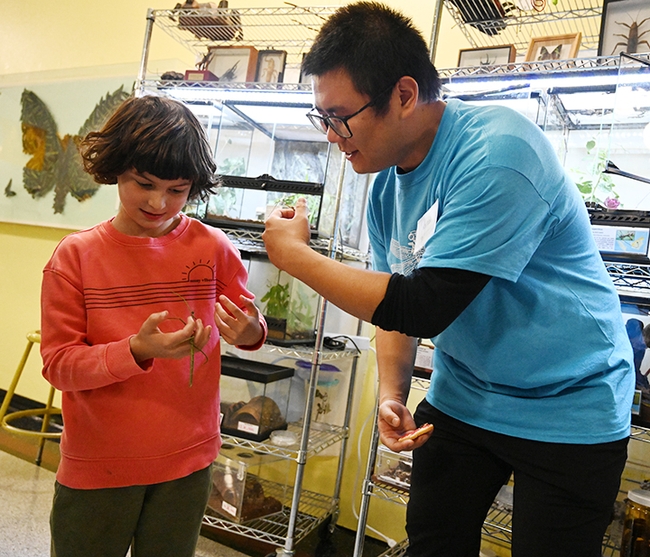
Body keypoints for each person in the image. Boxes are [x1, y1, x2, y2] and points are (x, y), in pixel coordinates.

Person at [262, 2, 635, 556]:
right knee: (434, 542)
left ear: (405, 95)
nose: (332, 134)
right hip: (465, 395)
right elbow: (392, 298)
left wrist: (294, 257)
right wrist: (392, 392)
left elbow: (422, 305)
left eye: (341, 116)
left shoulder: (498, 153)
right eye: (323, 117)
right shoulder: (387, 182)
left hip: (569, 402)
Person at [40, 94, 266, 557]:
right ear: (116, 169)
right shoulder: (75, 257)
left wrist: (250, 333)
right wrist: (136, 351)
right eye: (144, 183)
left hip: (188, 462)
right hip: (99, 464)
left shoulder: (215, 248)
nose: (159, 201)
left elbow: (249, 325)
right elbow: (59, 366)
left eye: (177, 189)